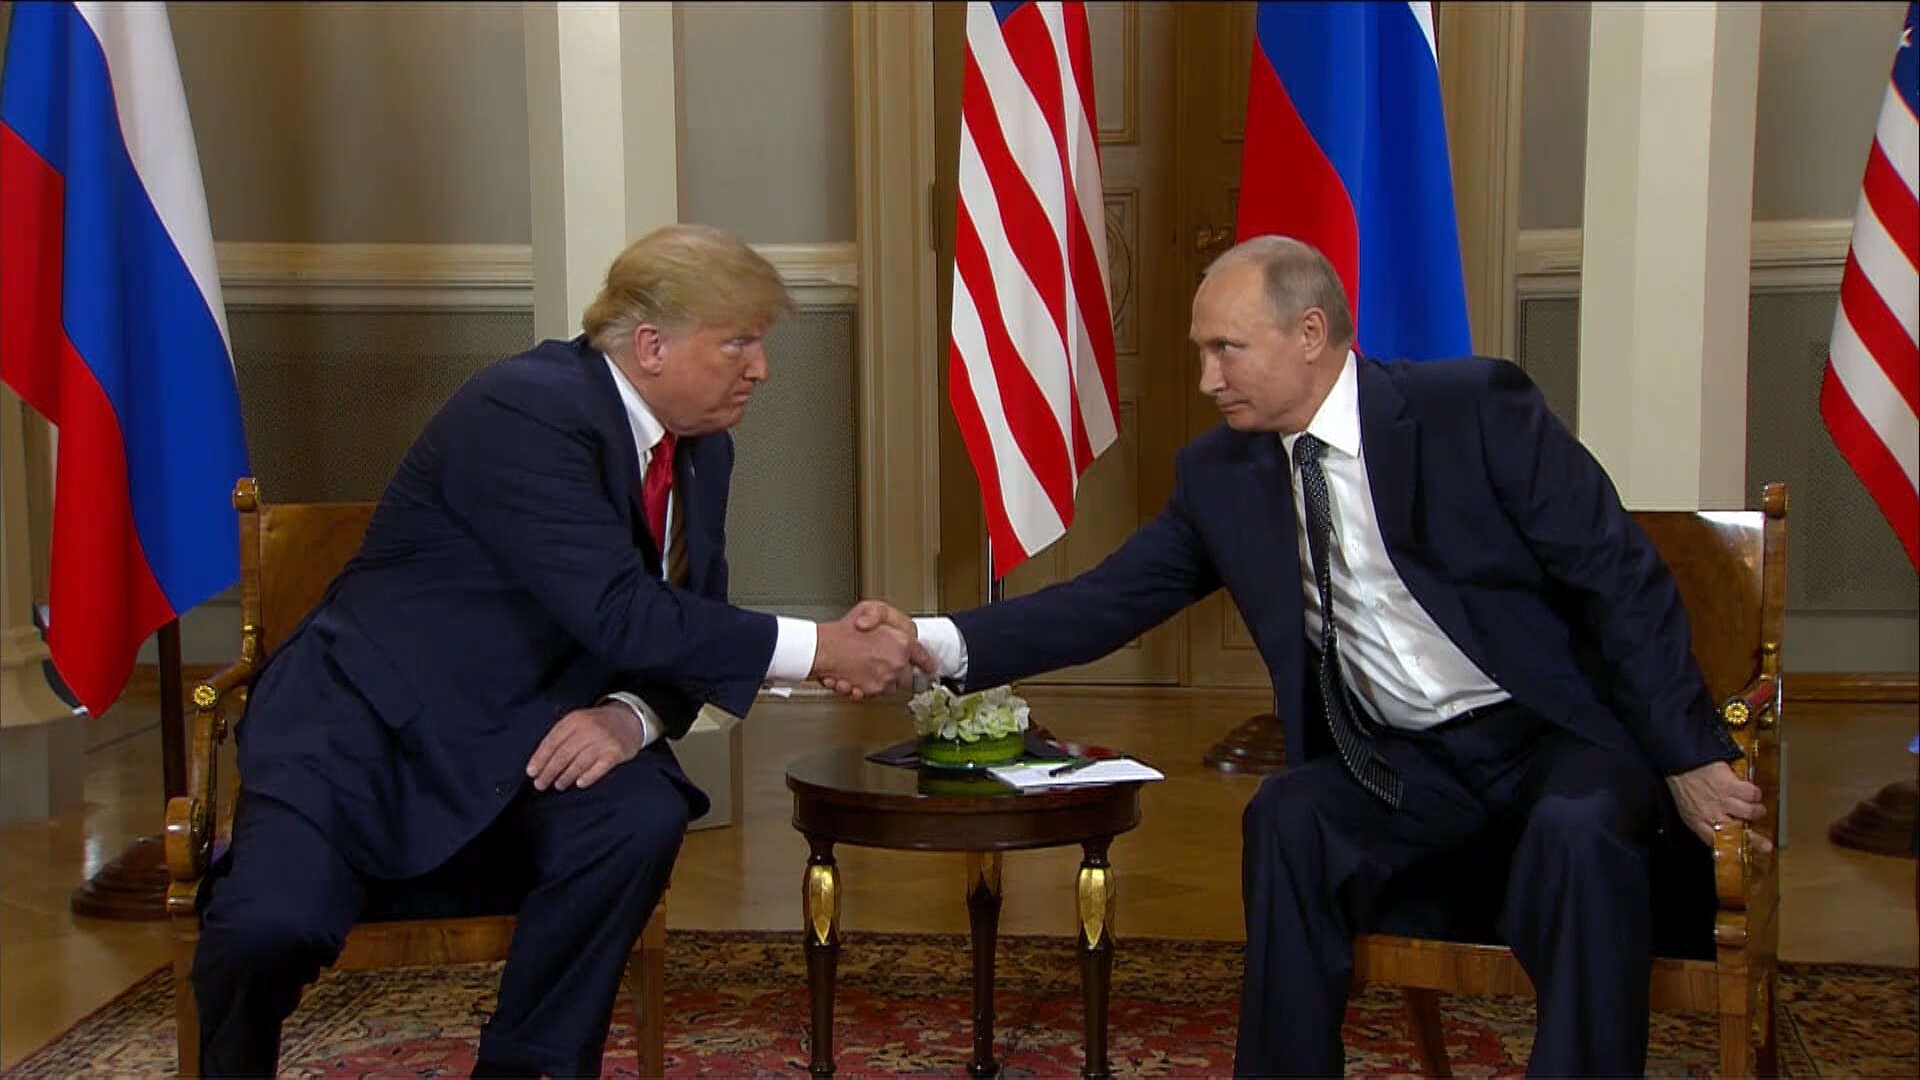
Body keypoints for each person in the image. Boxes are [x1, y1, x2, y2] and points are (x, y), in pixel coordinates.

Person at [857, 236, 1768, 1076]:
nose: (1208, 378)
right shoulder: (1222, 475)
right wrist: (930, 641)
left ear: (1310, 333)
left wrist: (1687, 751)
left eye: (1227, 350)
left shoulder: (1473, 410)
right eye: (1201, 352)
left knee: (1577, 830)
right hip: (1406, 768)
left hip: (1552, 738)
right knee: (1289, 816)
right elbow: (1105, 602)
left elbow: (1619, 578)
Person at [192, 224, 926, 1079]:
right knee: (269, 928)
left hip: (528, 735)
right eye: (738, 342)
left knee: (637, 815)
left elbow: (688, 618)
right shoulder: (527, 410)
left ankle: (527, 1067)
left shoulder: (704, 448)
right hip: (367, 735)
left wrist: (632, 716)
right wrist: (823, 646)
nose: (760, 368)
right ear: (651, 346)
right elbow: (621, 611)